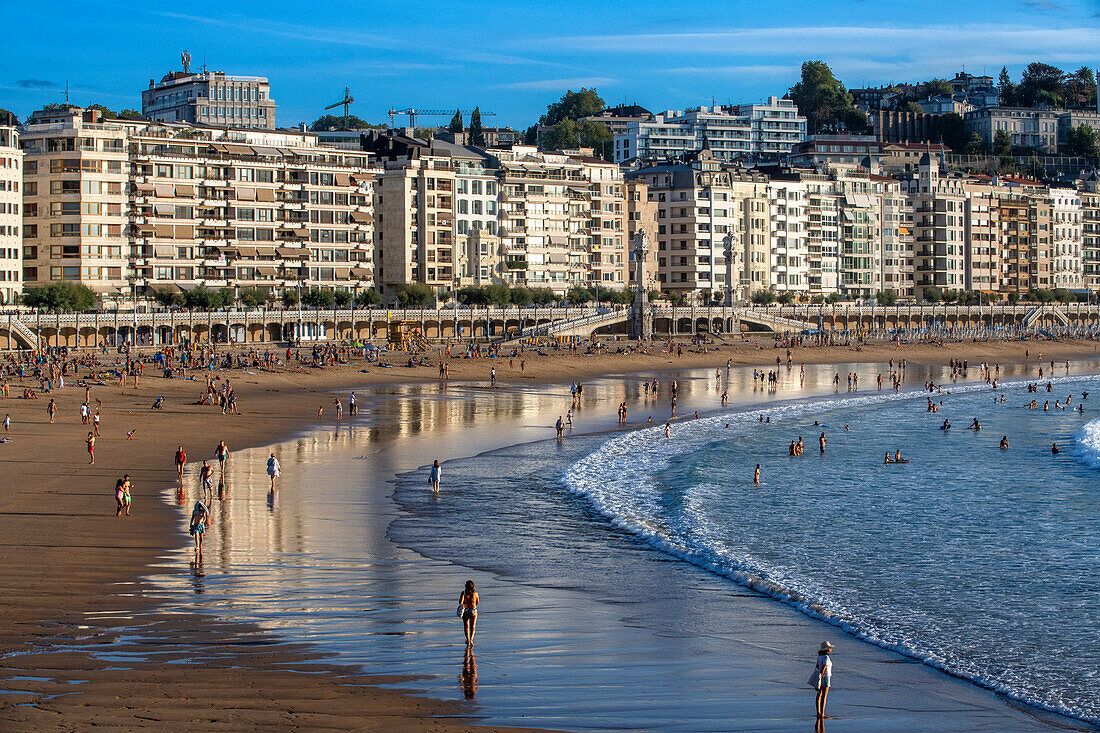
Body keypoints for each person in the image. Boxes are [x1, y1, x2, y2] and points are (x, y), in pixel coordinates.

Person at [811, 641, 834, 719]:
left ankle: (818, 712)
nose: (831, 649)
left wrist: (818, 677)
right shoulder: (826, 658)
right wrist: (820, 677)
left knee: (819, 695)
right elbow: (824, 668)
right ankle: (822, 714)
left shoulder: (819, 657)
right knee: (824, 696)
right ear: (827, 649)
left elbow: (817, 667)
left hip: (820, 677)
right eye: (830, 648)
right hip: (825, 677)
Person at [458, 580, 479, 646]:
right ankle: (471, 639)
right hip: (473, 610)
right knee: (473, 626)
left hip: (466, 610)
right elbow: (477, 602)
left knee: (466, 626)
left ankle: (468, 639)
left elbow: (460, 602)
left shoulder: (463, 593)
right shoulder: (475, 594)